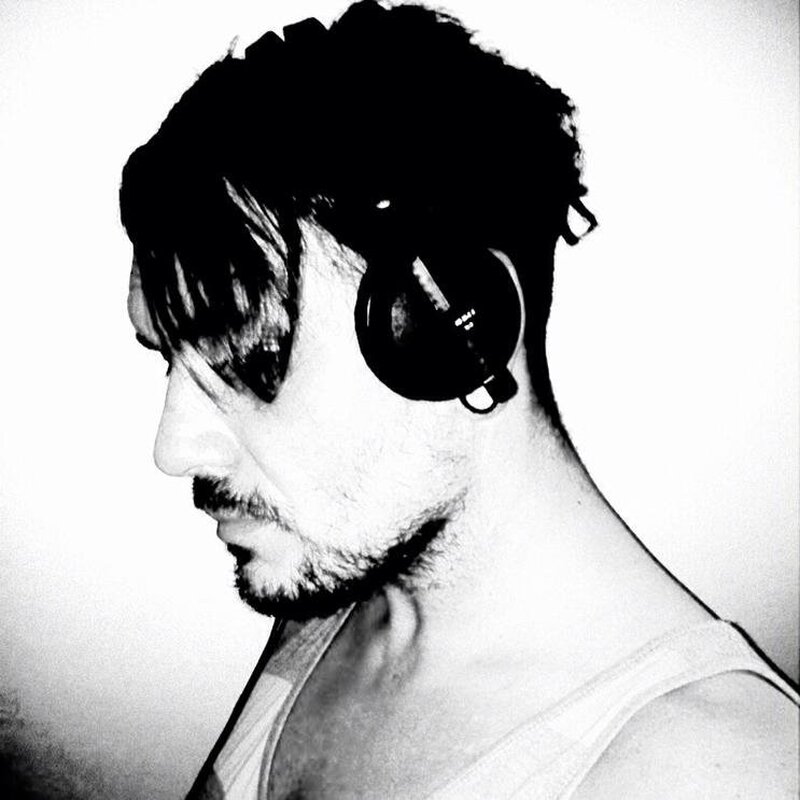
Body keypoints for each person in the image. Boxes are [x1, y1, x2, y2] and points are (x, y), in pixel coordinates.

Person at [121, 1, 798, 797]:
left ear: (451, 331)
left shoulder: (719, 773)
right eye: (169, 360)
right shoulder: (326, 599)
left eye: (250, 361)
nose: (173, 450)